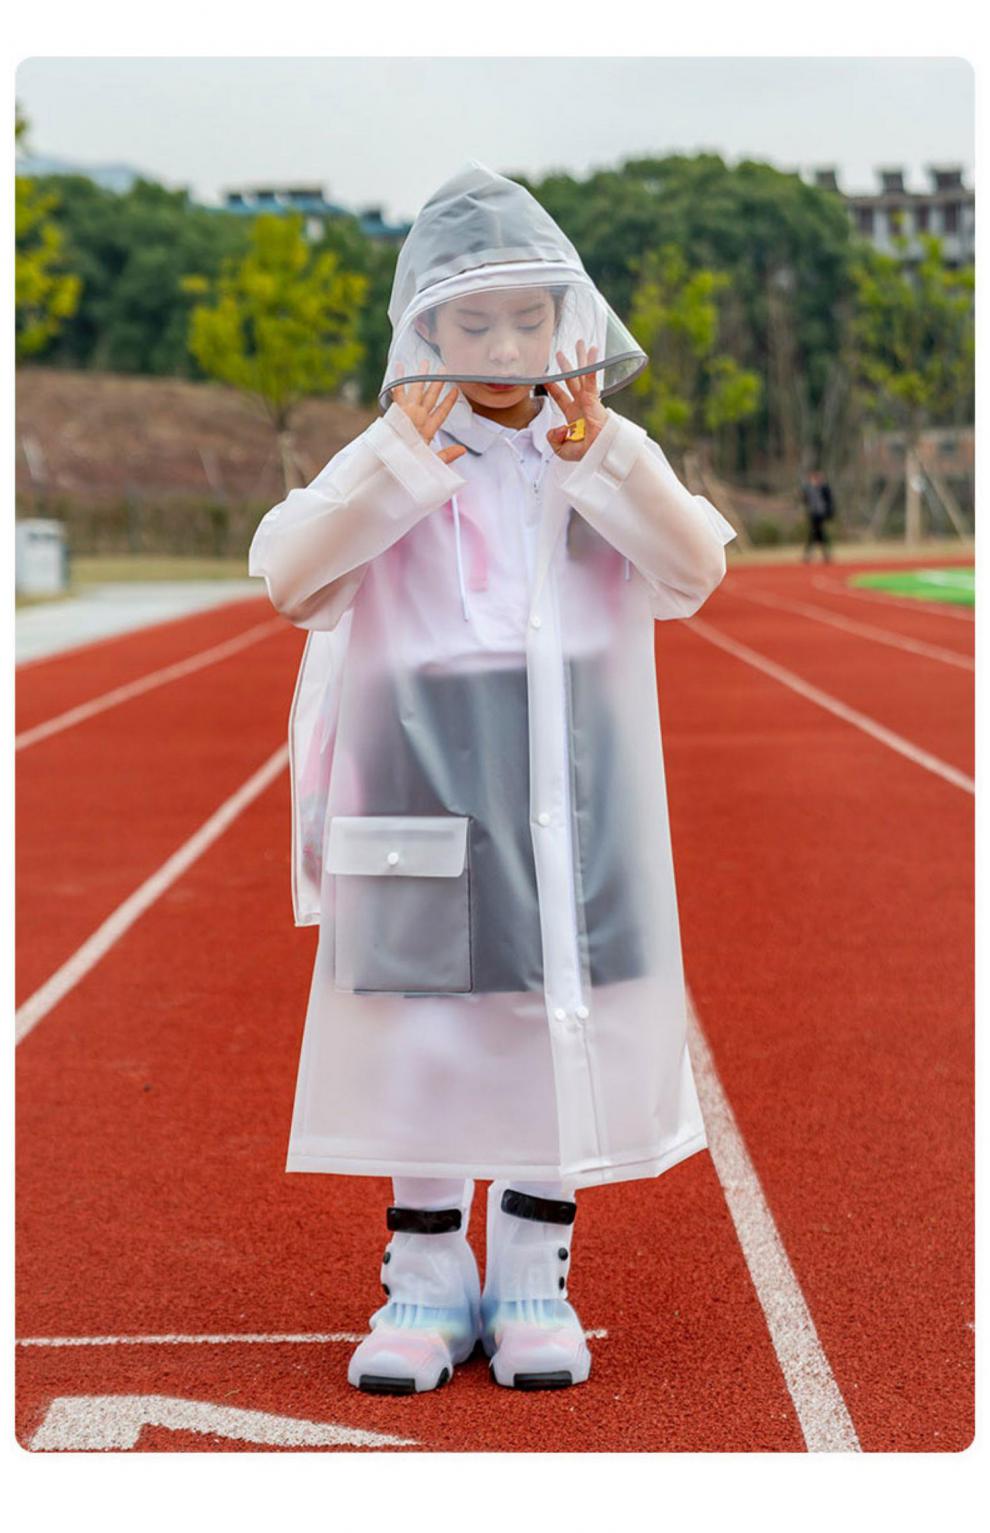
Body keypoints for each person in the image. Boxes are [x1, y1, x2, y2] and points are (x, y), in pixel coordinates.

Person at [248, 162, 736, 1396]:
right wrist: (395, 464)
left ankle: (531, 1274)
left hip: (579, 766)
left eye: (530, 316)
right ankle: (423, 1284)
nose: (507, 344)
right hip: (418, 766)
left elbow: (691, 574)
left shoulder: (600, 450)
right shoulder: (395, 450)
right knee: (423, 1026)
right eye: (475, 322)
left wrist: (605, 457)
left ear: (567, 320)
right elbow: (295, 581)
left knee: (552, 1005)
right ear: (427, 327)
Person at [801, 468, 835, 562]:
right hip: (813, 514)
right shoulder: (808, 488)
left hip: (821, 514)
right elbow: (805, 500)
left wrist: (829, 513)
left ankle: (810, 555)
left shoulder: (824, 488)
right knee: (817, 534)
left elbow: (830, 501)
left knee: (816, 533)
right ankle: (825, 555)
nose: (817, 479)